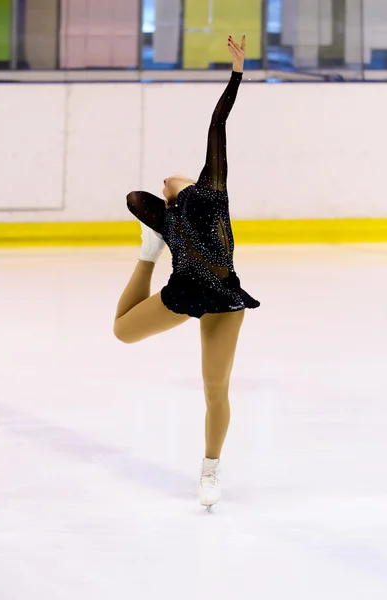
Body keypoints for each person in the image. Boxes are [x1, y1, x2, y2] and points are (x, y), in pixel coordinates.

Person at [114, 35, 260, 508]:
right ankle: (147, 254)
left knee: (215, 388)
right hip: (181, 291)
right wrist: (158, 222)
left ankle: (210, 468)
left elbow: (219, 122)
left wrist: (237, 72)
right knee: (122, 333)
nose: (164, 178)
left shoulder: (212, 187)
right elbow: (137, 199)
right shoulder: (170, 215)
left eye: (169, 180)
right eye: (164, 185)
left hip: (223, 299)